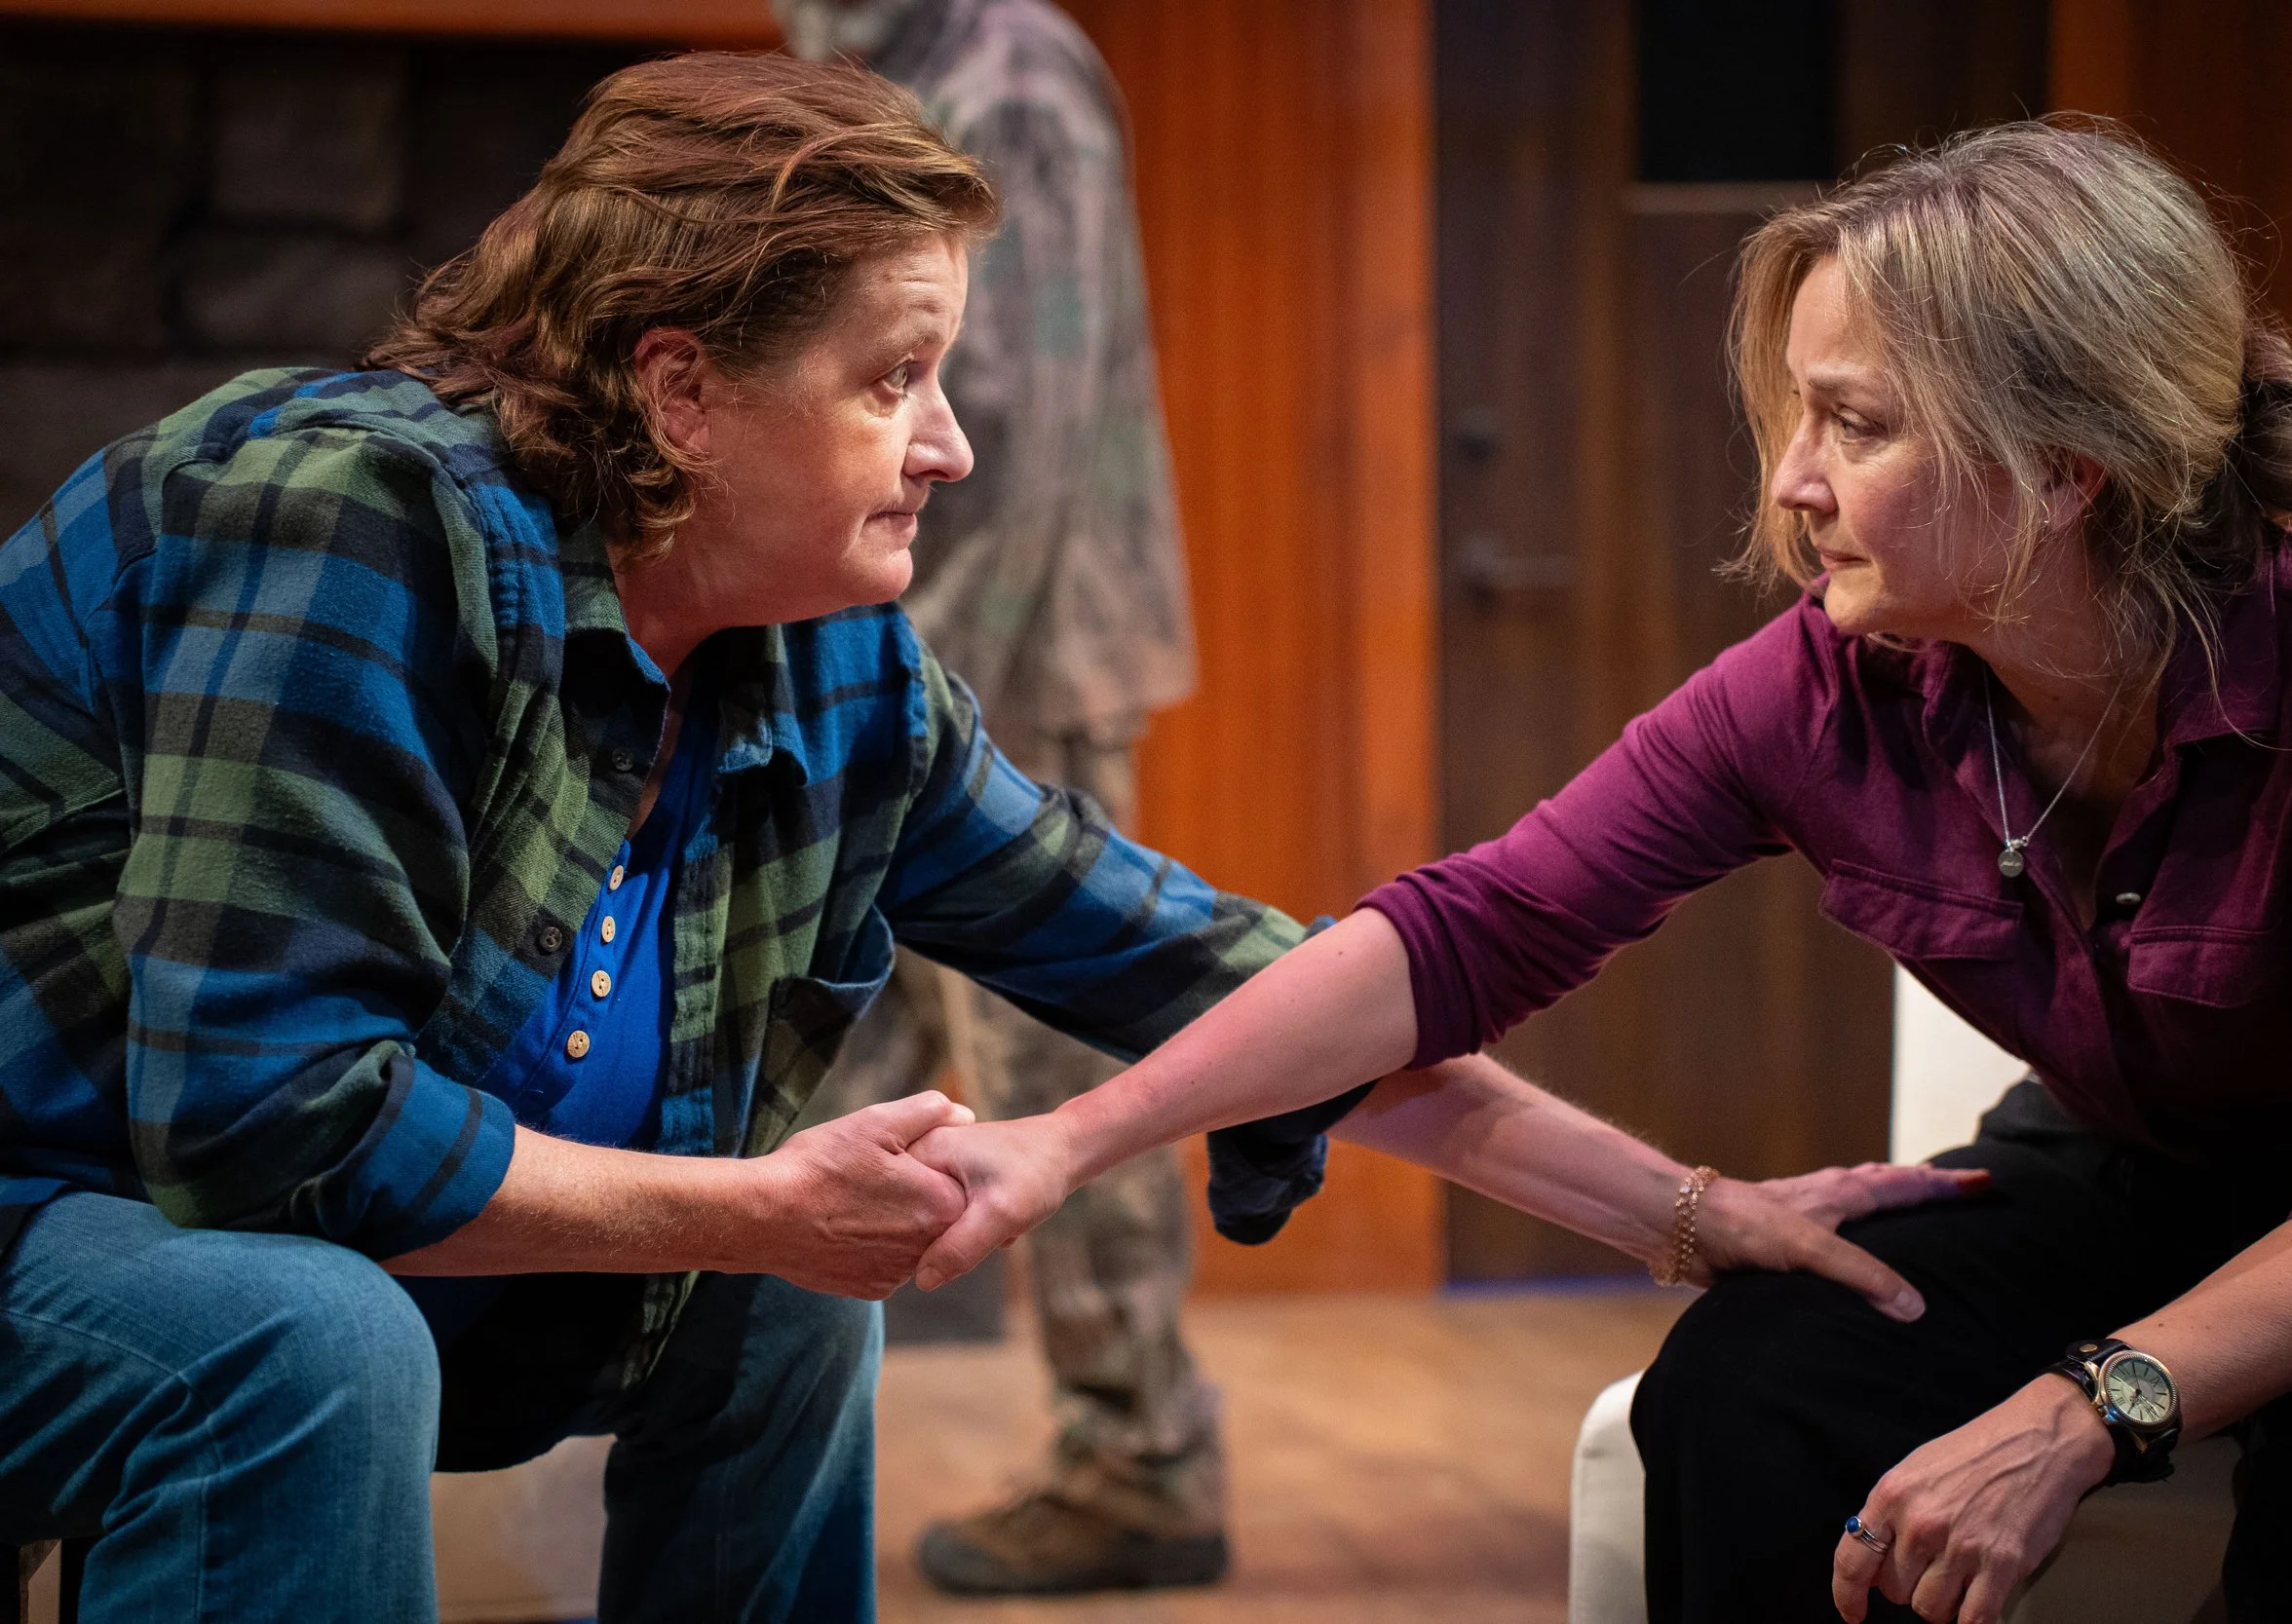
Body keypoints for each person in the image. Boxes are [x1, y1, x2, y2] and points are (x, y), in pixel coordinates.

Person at [0, 52, 1970, 1623]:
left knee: (780, 1295)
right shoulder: (354, 520)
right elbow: (266, 1123)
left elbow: (1223, 976)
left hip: (254, 1216)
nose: (948, 443)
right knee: (302, 1331)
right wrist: (742, 1206)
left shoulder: (830, 664)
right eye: (892, 380)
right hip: (60, 1204)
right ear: (677, 389)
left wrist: (1682, 1213)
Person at [901, 119, 2292, 1624]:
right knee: (1752, 1373)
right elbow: (1471, 931)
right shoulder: (1838, 683)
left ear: (2066, 468)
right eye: (1797, 415)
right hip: (2142, 1171)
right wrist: (1066, 1141)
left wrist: (2082, 1406)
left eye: (1859, 423)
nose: (1792, 482)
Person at [777, 0, 1224, 1594]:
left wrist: (910, 710)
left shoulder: (1006, 71)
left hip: (1006, 668)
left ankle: (1142, 1460)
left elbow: (1006, 428)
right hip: (928, 658)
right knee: (831, 1069)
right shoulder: (905, 63)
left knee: (1057, 1075)